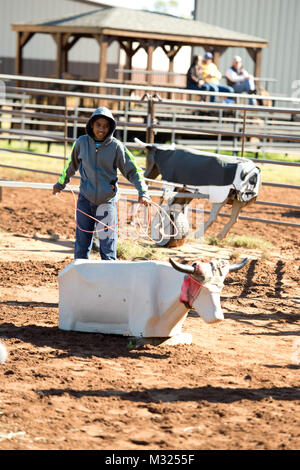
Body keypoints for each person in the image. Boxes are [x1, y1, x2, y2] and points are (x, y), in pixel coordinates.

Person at [52, 106, 150, 260]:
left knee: (108, 247)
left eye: (105, 126)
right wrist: (60, 184)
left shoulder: (116, 147)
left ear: (110, 128)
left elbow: (133, 170)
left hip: (107, 202)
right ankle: (82, 278)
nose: (101, 129)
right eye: (98, 125)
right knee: (81, 244)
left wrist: (143, 192)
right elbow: (71, 166)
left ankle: (109, 280)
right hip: (85, 199)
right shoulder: (81, 143)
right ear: (91, 125)